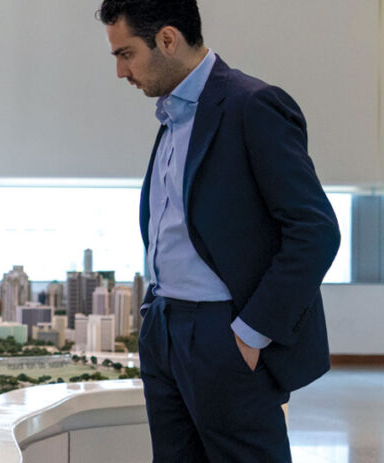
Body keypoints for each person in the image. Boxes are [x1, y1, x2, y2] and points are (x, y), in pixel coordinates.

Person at [97, 1, 339, 462]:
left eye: (125, 54)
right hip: (164, 328)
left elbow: (316, 231)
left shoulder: (254, 105)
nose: (121, 72)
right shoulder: (172, 116)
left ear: (167, 39)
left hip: (222, 333)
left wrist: (250, 334)